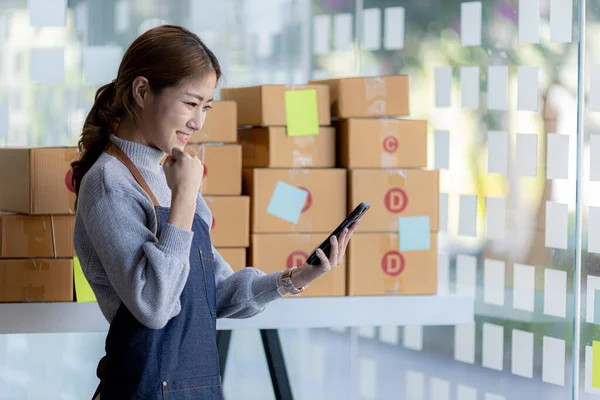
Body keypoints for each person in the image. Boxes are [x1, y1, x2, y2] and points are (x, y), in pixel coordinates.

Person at [70, 25, 358, 400]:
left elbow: (215, 293)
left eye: (206, 107)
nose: (198, 122)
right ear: (142, 92)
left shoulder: (170, 175)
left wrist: (296, 277)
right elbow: (154, 306)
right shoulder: (109, 184)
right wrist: (185, 197)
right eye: (190, 103)